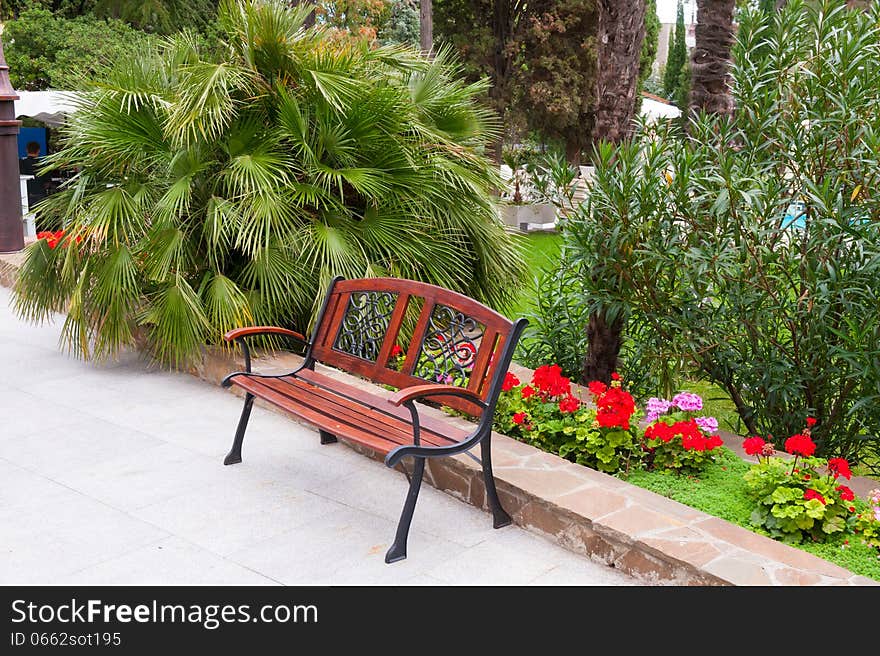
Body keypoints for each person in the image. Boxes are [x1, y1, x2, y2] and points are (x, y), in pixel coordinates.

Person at [19, 141, 51, 210]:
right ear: (38, 150)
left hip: (25, 195)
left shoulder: (21, 163)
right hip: (40, 195)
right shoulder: (43, 164)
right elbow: (48, 183)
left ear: (27, 150)